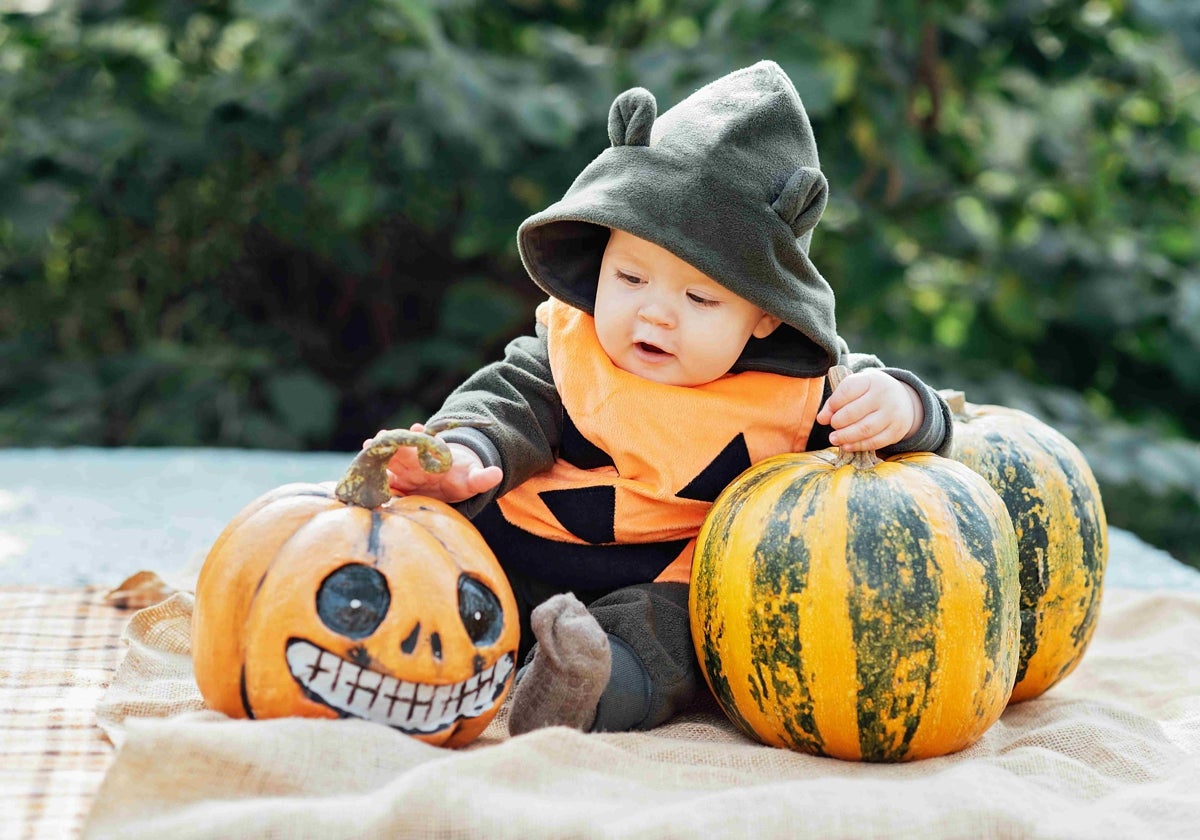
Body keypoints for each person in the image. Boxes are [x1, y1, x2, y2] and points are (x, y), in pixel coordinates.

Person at [374, 61, 952, 736]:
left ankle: (589, 687)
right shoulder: (574, 350)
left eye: (698, 297)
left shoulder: (798, 393)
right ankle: (407, 639)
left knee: (683, 638)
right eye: (630, 276)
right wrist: (459, 455)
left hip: (663, 584)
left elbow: (917, 439)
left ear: (765, 315)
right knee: (443, 555)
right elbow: (503, 404)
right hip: (520, 545)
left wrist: (905, 407)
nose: (654, 316)